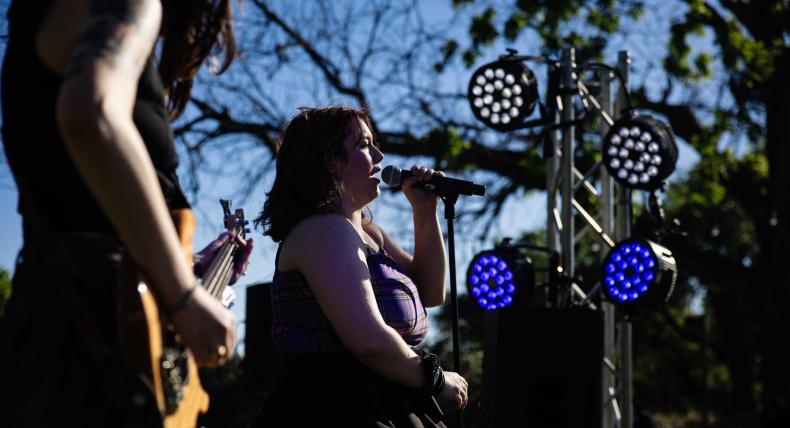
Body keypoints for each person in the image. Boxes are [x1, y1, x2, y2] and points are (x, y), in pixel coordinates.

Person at [0, 0, 248, 426]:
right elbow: (91, 112)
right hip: (95, 353)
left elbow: (85, 211)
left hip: (50, 330)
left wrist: (194, 276)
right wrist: (184, 298)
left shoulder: (40, 17)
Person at [255, 106, 469, 426]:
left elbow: (430, 292)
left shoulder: (370, 234)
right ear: (330, 159)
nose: (380, 156)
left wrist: (424, 212)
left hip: (382, 403)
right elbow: (368, 341)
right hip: (337, 408)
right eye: (365, 145)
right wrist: (435, 379)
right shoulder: (323, 230)